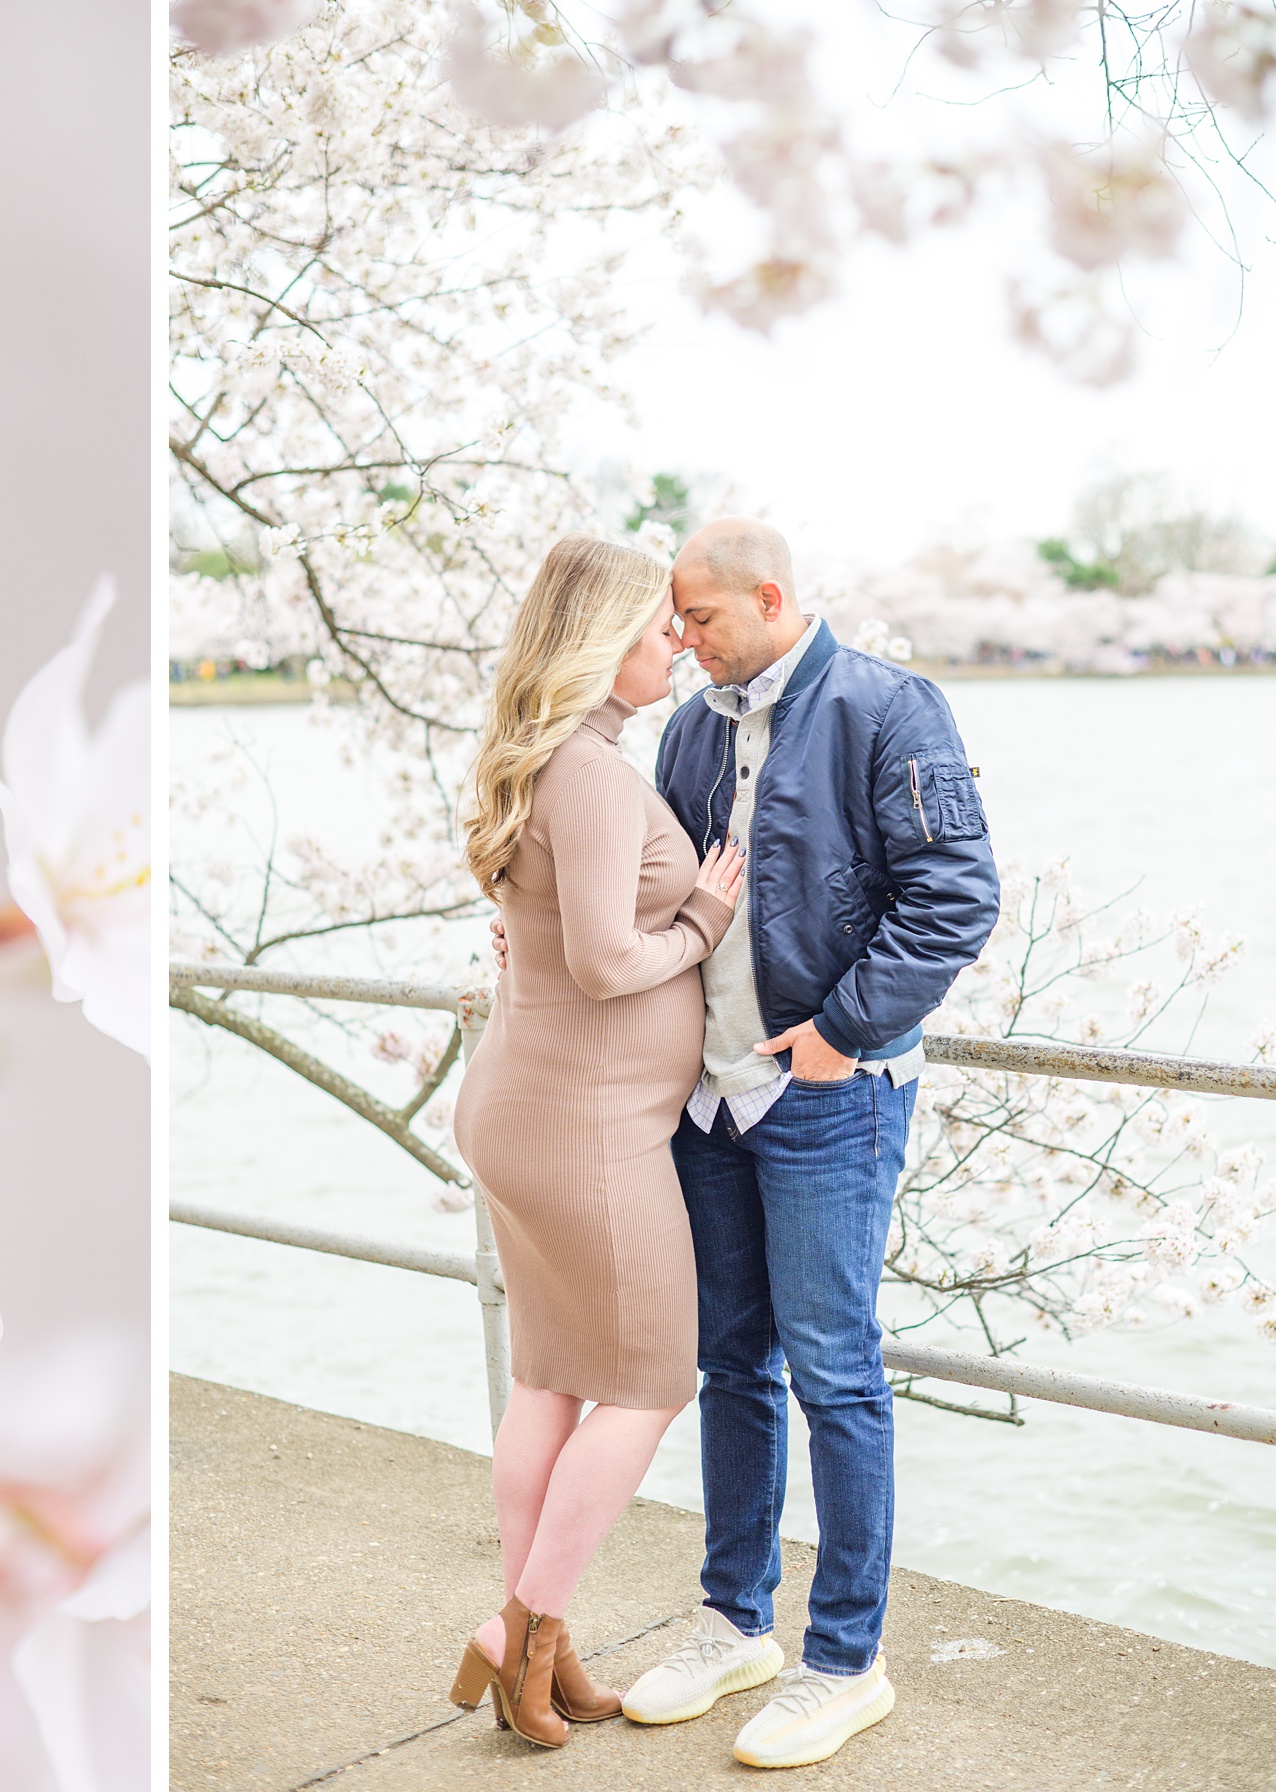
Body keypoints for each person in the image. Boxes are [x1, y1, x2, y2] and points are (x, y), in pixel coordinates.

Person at [621, 518, 1000, 1768]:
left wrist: (841, 1028)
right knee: (733, 1362)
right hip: (711, 1098)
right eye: (674, 623)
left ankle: (846, 1658)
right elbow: (662, 898)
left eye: (700, 618)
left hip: (830, 1093)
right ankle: (737, 1620)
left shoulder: (890, 708)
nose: (680, 640)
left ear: (770, 597)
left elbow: (956, 894)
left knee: (835, 1367)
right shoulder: (687, 728)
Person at [447, 534, 746, 1750]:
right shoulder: (591, 773)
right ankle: (528, 1628)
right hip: (587, 1129)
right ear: (600, 643)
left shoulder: (550, 759)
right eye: (656, 626)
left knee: (551, 1376)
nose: (675, 640)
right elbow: (608, 958)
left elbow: (540, 932)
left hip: (531, 1106)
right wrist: (706, 917)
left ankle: (530, 1642)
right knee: (648, 1380)